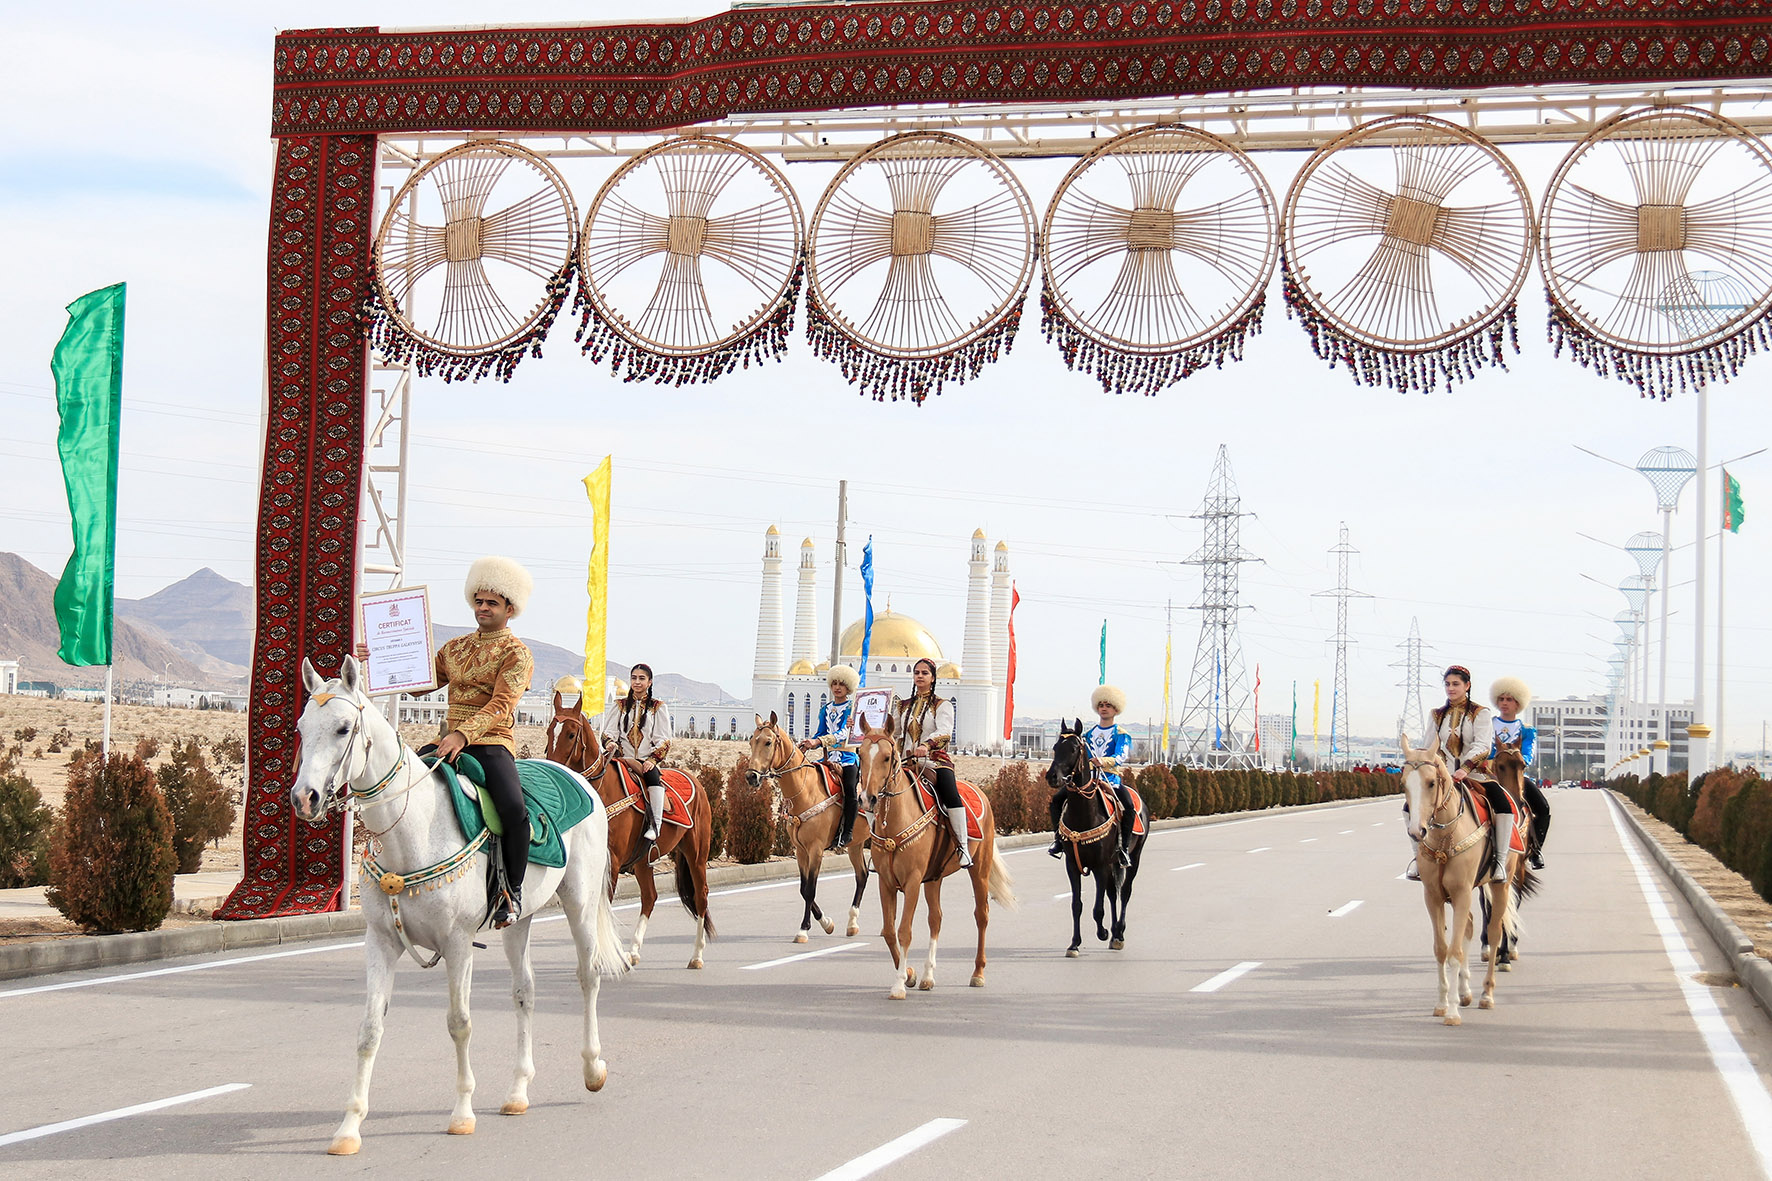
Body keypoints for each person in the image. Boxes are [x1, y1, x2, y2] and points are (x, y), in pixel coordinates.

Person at [433, 556, 536, 928]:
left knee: (513, 811)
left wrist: (464, 734)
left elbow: (502, 703)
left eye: (491, 603)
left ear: (510, 609)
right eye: (478, 601)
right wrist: (375, 662)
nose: (482, 608)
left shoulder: (517, 653)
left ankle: (512, 892)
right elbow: (419, 681)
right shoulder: (454, 648)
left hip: (491, 743)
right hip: (446, 740)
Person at [1409, 664, 1512, 883]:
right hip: (1442, 778)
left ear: (1467, 685)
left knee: (1503, 804)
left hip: (1475, 775)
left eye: (1456, 684)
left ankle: (1500, 862)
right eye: (1447, 684)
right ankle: (1417, 859)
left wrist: (1465, 769)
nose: (1451, 688)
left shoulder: (1480, 713)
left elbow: (1483, 745)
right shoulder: (1436, 715)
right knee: (1410, 806)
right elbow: (1429, 746)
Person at [891, 658, 971, 869]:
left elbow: (945, 732)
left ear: (933, 677)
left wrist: (927, 745)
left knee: (950, 794)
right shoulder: (902, 706)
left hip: (934, 761)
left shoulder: (942, 705)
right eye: (916, 672)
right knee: (877, 791)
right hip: (906, 762)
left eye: (924, 673)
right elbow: (894, 732)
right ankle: (877, 843)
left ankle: (962, 846)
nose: (919, 676)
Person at [1048, 685, 1137, 868]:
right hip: (1087, 781)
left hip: (1110, 779)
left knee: (1128, 807)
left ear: (1116, 709)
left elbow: (1121, 756)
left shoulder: (1122, 734)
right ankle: (1059, 840)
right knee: (1057, 800)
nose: (1104, 708)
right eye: (1101, 705)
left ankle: (1124, 849)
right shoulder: (1087, 735)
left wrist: (1102, 761)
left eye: (1108, 705)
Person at [597, 664, 673, 854]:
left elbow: (664, 739)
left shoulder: (658, 707)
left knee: (654, 779)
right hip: (621, 759)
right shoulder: (620, 705)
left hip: (646, 762)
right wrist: (609, 744)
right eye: (634, 678)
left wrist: (653, 760)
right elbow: (608, 732)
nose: (637, 682)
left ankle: (654, 825)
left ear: (649, 682)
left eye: (641, 678)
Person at [1491, 676, 1551, 870]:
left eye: (1509, 699)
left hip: (1517, 776)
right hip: (1490, 776)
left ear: (1518, 703)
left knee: (1543, 808)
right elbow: (1484, 750)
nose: (1505, 703)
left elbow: (1527, 756)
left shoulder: (1527, 730)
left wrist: (1510, 757)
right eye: (1501, 699)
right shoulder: (1487, 725)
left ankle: (1535, 850)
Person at [799, 665, 861, 850]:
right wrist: (809, 742)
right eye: (834, 683)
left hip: (848, 757)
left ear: (848, 687)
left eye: (841, 684)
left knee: (850, 789)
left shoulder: (852, 708)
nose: (837, 687)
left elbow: (844, 733)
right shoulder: (825, 709)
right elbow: (820, 731)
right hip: (828, 757)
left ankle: (847, 831)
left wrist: (818, 741)